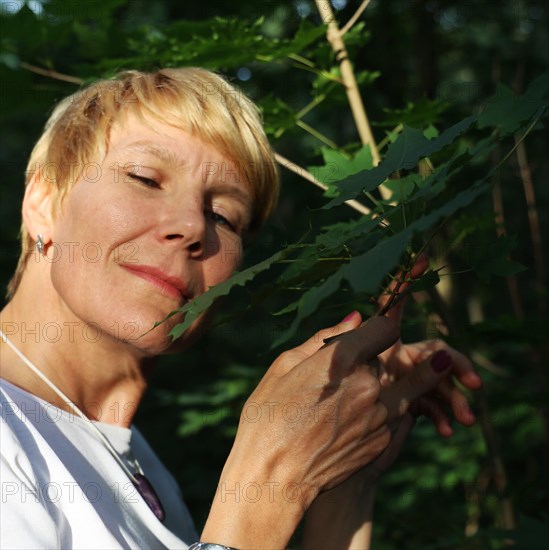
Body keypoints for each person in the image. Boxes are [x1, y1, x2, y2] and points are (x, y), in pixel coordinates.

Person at [0, 67, 481, 549]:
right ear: (44, 200)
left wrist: (342, 478)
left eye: (223, 216)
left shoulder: (141, 466)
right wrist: (270, 482)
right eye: (145, 178)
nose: (192, 226)